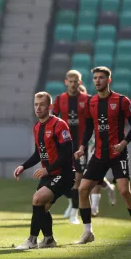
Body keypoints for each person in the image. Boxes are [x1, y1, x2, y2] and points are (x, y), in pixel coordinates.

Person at [74, 66, 131, 244]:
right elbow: (89, 127)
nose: (97, 81)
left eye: (101, 78)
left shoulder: (122, 101)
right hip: (99, 154)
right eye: (95, 78)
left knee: (124, 191)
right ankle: (88, 232)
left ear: (109, 80)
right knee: (82, 190)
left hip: (117, 154)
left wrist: (123, 143)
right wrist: (82, 146)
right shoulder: (91, 103)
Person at [14, 91, 75, 250]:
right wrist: (23, 166)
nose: (38, 108)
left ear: (50, 107)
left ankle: (31, 240)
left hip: (64, 174)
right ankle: (48, 239)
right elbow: (38, 154)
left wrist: (48, 169)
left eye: (42, 104)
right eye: (36, 104)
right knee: (41, 207)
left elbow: (66, 153)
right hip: (49, 174)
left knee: (37, 199)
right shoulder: (37, 127)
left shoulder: (59, 125)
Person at [52, 70, 89, 224]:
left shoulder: (87, 100)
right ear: (66, 82)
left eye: (76, 81)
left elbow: (92, 121)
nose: (73, 84)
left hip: (80, 145)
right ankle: (71, 203)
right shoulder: (60, 99)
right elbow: (52, 119)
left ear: (79, 83)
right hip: (64, 145)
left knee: (77, 180)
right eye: (71, 81)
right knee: (62, 179)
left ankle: (74, 212)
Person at [78, 84, 116, 216]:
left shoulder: (93, 105)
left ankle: (94, 206)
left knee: (92, 174)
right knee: (86, 174)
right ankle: (109, 187)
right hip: (81, 144)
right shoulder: (75, 108)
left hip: (94, 144)